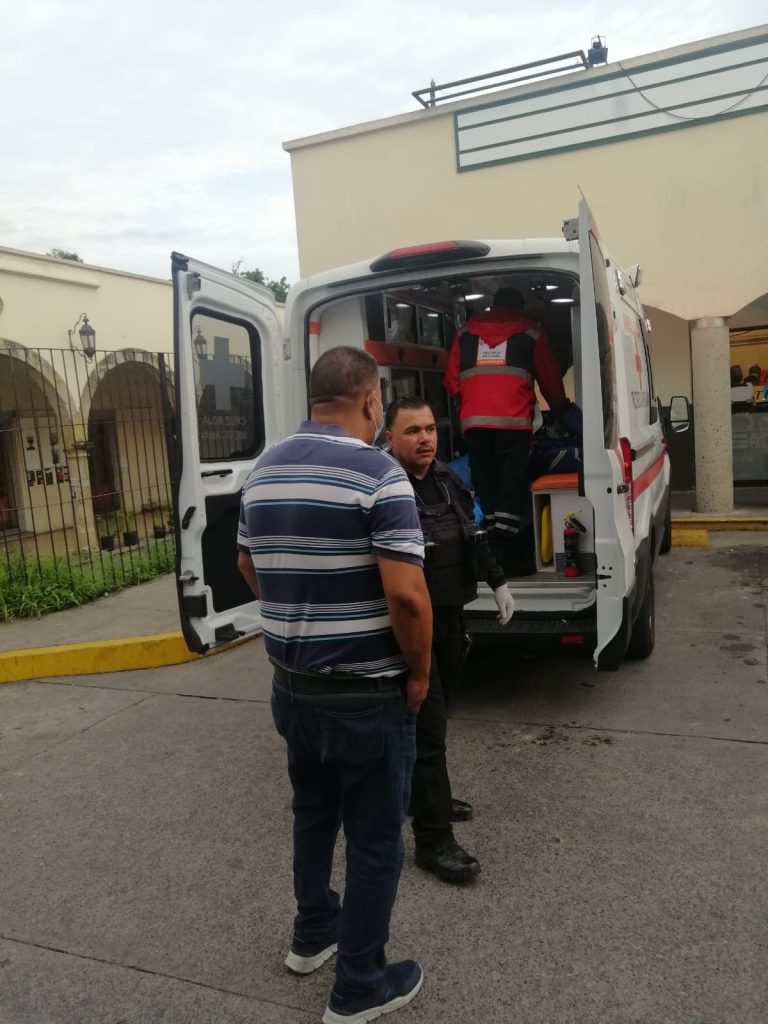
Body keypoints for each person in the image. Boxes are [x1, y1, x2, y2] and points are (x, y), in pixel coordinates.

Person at [237, 347, 433, 1024]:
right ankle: (359, 986)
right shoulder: (380, 475)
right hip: (364, 693)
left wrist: (300, 614)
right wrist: (419, 672)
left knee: (313, 812)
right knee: (376, 838)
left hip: (292, 687)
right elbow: (406, 597)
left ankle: (312, 933)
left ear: (315, 396)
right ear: (372, 401)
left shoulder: (264, 470)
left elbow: (246, 563)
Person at [385, 396, 514, 884]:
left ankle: (426, 797)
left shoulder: (446, 479)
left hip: (450, 620)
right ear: (389, 438)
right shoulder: (384, 488)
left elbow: (471, 533)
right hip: (411, 627)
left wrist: (498, 581)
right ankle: (433, 839)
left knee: (435, 724)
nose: (425, 439)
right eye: (412, 431)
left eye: (430, 429)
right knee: (428, 729)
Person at [444, 286, 577, 574]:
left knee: (485, 483)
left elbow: (452, 382)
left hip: (475, 425)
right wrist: (563, 411)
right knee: (511, 484)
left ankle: (491, 548)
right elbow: (551, 382)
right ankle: (506, 554)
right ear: (519, 307)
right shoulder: (530, 332)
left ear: (493, 304)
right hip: (513, 425)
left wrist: (473, 401)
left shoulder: (464, 334)